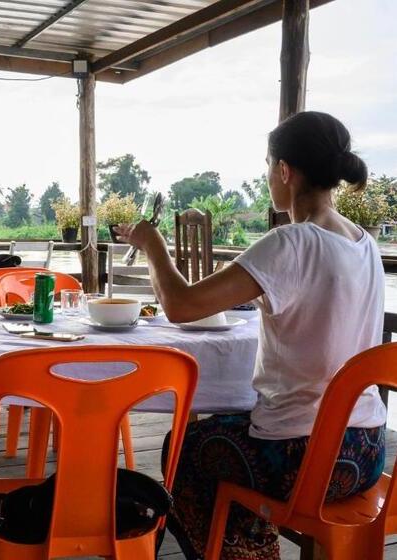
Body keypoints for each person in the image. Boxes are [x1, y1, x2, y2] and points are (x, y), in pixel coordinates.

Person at [115, 111, 386, 560]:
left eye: (267, 165)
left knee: (183, 450)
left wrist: (153, 246)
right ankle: (250, 539)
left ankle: (248, 551)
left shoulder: (291, 242)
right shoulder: (365, 244)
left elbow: (181, 305)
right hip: (367, 450)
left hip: (303, 458)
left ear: (285, 170)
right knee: (229, 438)